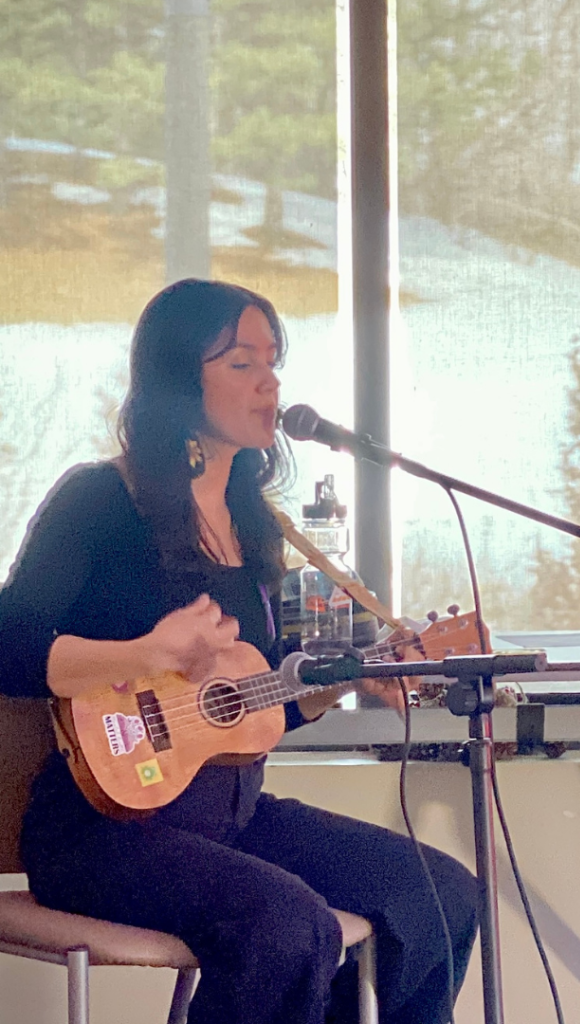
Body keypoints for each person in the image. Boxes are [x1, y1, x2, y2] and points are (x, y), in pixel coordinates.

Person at [0, 279, 478, 1024]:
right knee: (285, 926)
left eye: (274, 361)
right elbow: (8, 644)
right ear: (177, 378)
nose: (270, 382)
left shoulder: (260, 529)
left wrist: (349, 680)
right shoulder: (99, 500)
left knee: (437, 893)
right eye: (241, 363)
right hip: (101, 833)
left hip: (230, 818)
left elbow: (247, 713)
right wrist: (143, 653)